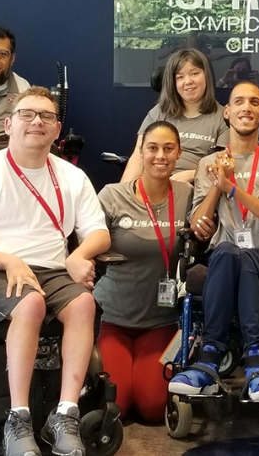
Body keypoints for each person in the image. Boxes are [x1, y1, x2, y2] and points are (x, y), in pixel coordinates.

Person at [0, 87, 111, 456]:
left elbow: (99, 233)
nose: (37, 121)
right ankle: (17, 419)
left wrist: (79, 254)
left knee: (84, 304)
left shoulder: (72, 176)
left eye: (47, 116)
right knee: (31, 303)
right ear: (8, 124)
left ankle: (65, 414)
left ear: (57, 129)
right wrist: (10, 260)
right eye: (27, 114)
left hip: (52, 269)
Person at [168, 81, 259, 403]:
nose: (246, 108)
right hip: (225, 254)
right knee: (228, 251)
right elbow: (199, 227)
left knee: (242, 255)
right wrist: (217, 184)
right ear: (227, 112)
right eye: (239, 102)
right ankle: (239, 361)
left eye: (254, 102)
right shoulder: (207, 164)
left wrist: (232, 188)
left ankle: (224, 359)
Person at [93, 121, 192, 424]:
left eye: (168, 148)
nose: (160, 156)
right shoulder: (112, 195)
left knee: (152, 408)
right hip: (112, 318)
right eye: (152, 148)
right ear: (141, 151)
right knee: (118, 406)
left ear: (179, 153)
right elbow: (85, 243)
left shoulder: (187, 195)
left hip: (160, 320)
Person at [120, 48, 228, 184]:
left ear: (206, 76)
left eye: (194, 73)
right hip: (155, 184)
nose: (188, 81)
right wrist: (123, 192)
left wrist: (193, 174)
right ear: (173, 82)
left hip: (197, 188)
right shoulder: (159, 112)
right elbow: (138, 156)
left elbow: (223, 166)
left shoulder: (223, 117)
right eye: (180, 77)